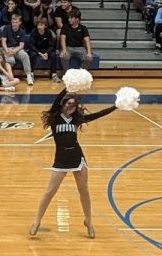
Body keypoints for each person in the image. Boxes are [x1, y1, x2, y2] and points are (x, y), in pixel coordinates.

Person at [31, 88, 117, 238]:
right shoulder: (54, 118)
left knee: (84, 191)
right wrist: (68, 87)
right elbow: (57, 100)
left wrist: (116, 106)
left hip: (77, 158)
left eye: (74, 104)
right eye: (69, 103)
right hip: (61, 160)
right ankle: (37, 221)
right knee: (49, 192)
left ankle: (89, 221)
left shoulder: (77, 119)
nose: (72, 106)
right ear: (62, 104)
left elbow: (98, 115)